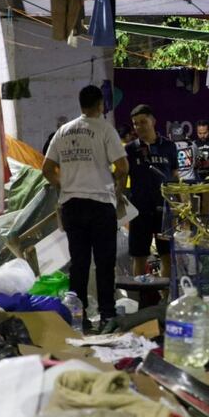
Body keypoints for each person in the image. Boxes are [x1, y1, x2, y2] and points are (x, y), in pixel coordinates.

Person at [42, 86, 128, 329]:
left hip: (72, 206)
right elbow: (123, 167)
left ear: (80, 105)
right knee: (104, 262)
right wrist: (115, 187)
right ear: (101, 105)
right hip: (100, 204)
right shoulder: (105, 129)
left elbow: (46, 169)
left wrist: (64, 185)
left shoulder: (63, 131)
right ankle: (107, 315)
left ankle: (78, 318)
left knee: (78, 263)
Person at [127, 104, 179, 278]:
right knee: (139, 257)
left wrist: (180, 203)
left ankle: (165, 293)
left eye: (143, 122)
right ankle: (141, 293)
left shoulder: (169, 146)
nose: (139, 127)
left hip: (164, 209)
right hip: (139, 210)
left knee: (167, 256)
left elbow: (175, 175)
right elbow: (120, 175)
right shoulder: (129, 149)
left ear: (153, 121)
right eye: (135, 123)